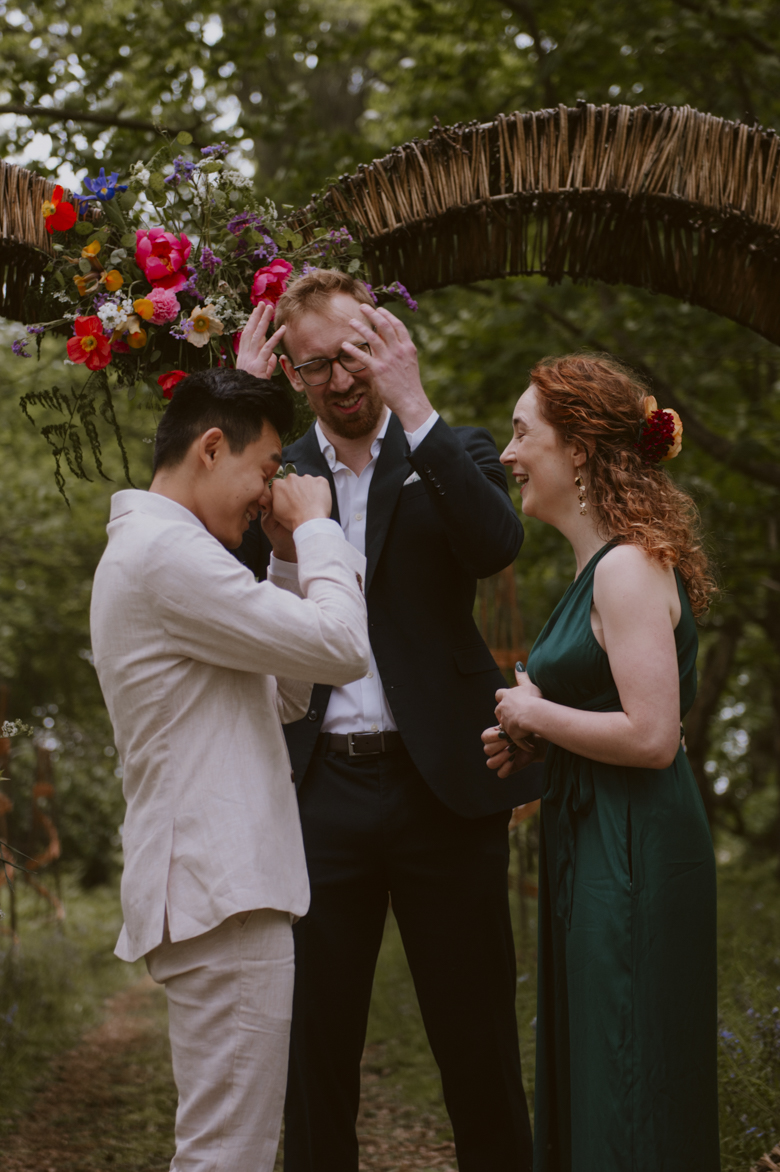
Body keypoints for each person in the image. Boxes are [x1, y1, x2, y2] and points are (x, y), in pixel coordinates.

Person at [236, 272, 543, 1172]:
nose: (342, 379)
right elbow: (203, 557)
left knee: (478, 1042)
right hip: (317, 791)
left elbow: (497, 546)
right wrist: (243, 406)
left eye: (356, 355)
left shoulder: (453, 451)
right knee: (314, 1052)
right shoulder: (271, 471)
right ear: (293, 375)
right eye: (318, 365)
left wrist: (416, 403)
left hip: (445, 785)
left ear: (386, 348)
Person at [89, 368, 370, 1172]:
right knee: (226, 1156)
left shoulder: (163, 554)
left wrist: (283, 561)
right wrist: (320, 530)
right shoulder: (165, 552)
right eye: (268, 468)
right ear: (213, 447)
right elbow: (343, 650)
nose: (271, 491)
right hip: (224, 886)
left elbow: (283, 697)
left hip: (220, 887)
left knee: (227, 1149)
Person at [484, 353, 720, 1172]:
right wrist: (533, 734)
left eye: (523, 432)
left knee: (627, 1065)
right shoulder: (594, 569)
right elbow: (608, 715)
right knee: (604, 1058)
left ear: (578, 448)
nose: (508, 453)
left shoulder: (624, 567)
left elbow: (655, 737)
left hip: (633, 852)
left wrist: (534, 710)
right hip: (595, 838)